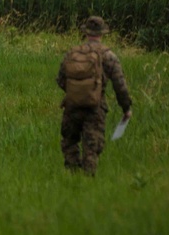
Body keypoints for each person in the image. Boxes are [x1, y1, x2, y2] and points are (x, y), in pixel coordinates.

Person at [56, 16, 132, 175]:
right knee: (91, 147)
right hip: (95, 108)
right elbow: (120, 85)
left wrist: (76, 93)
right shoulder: (109, 56)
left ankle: (72, 176)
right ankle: (88, 180)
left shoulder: (72, 53)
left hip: (72, 107)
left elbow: (61, 80)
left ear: (85, 32)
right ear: (102, 33)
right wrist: (126, 107)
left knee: (70, 142)